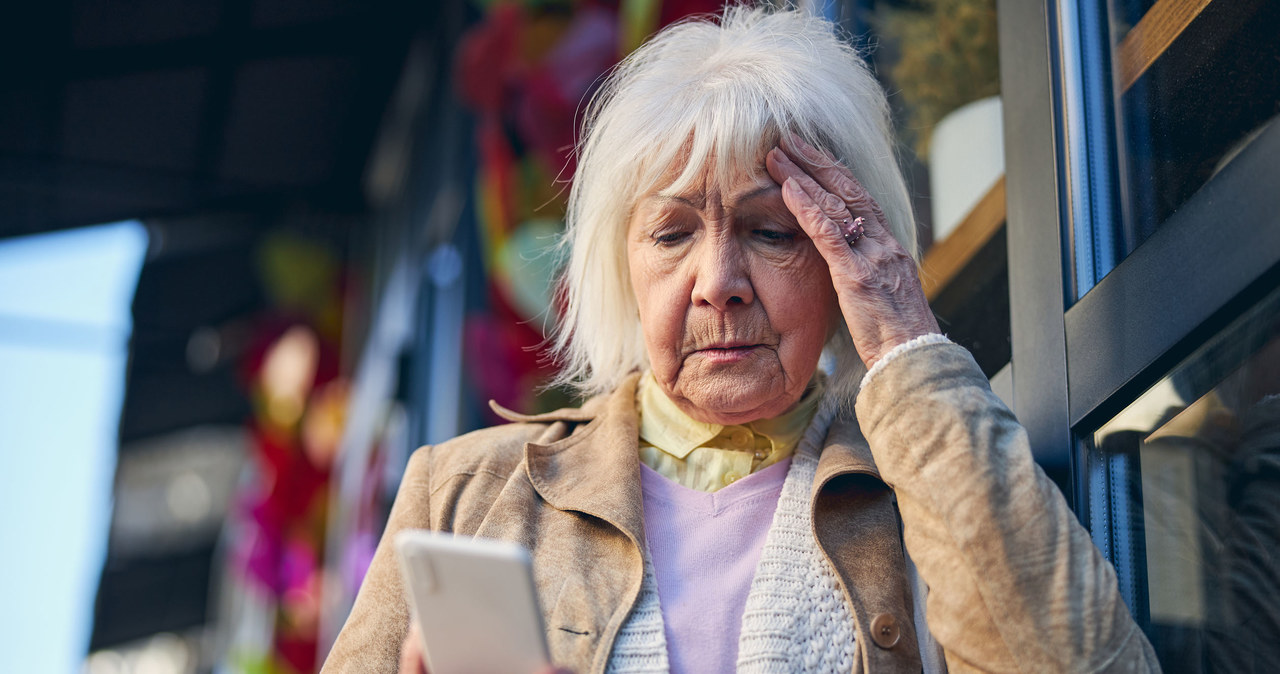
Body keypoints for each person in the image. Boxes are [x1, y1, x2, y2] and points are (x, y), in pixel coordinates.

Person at [323, 6, 1160, 673]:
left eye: (771, 232)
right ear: (622, 266)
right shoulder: (464, 493)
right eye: (672, 233)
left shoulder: (934, 479)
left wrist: (906, 339)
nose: (717, 279)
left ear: (845, 254)